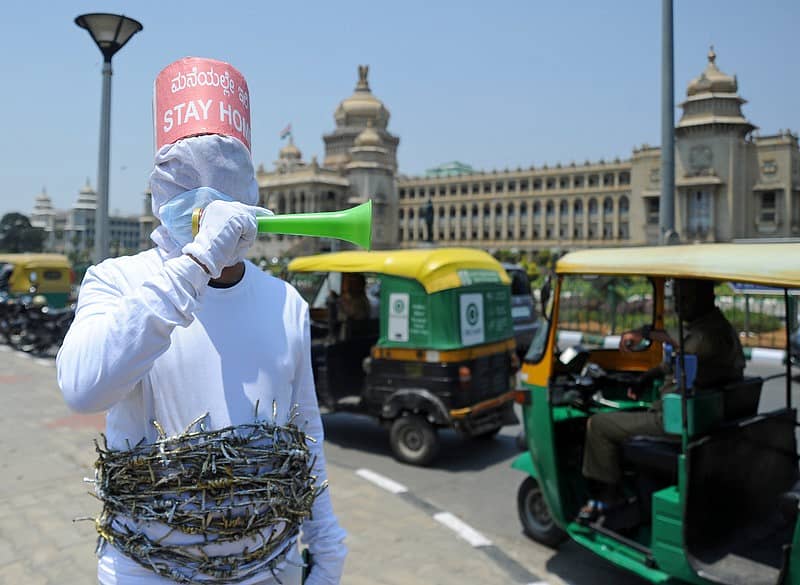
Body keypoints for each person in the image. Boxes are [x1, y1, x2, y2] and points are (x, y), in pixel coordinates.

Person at [56, 57, 346, 585]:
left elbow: (306, 431)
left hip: (268, 569)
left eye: (226, 182)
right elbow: (82, 389)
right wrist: (195, 262)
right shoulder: (115, 281)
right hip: (148, 572)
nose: (209, 201)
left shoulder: (287, 302)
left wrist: (326, 548)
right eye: (188, 181)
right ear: (160, 190)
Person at [579, 278, 745, 522]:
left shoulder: (707, 336)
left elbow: (681, 349)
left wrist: (647, 334)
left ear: (707, 297)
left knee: (599, 425)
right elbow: (673, 358)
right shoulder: (711, 327)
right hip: (699, 415)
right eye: (676, 299)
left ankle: (609, 497)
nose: (678, 306)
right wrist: (645, 377)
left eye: (685, 299)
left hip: (678, 422)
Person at [336, 273, 371, 339]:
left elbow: (359, 315)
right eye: (351, 282)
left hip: (359, 332)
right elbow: (340, 317)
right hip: (347, 331)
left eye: (354, 283)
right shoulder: (344, 299)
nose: (352, 285)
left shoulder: (362, 300)